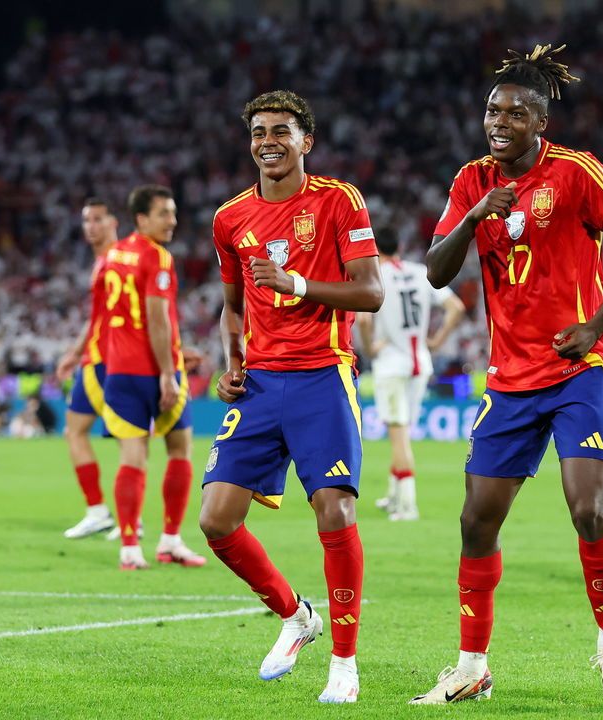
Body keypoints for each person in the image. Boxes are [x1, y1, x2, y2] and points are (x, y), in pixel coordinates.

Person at [410, 45, 603, 707]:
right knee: (475, 522)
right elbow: (435, 271)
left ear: (538, 124)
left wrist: (596, 323)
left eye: (515, 113)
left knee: (587, 509)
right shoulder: (471, 182)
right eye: (493, 110)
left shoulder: (577, 173)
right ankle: (470, 664)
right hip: (510, 378)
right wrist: (472, 217)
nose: (499, 121)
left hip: (581, 369)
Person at [200, 90, 382, 704]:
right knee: (216, 521)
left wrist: (299, 283)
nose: (268, 142)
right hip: (259, 383)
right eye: (258, 132)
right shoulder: (230, 218)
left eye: (282, 130)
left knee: (335, 510)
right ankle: (295, 614)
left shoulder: (338, 201)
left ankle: (345, 664)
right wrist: (231, 365)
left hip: (322, 376)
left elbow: (371, 293)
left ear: (307, 140)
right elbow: (232, 305)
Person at [100, 185, 205, 570]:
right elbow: (156, 317)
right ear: (142, 218)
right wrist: (167, 370)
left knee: (133, 457)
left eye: (173, 212)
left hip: (119, 370)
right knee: (179, 449)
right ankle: (170, 541)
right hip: (154, 370)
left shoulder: (114, 253)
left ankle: (129, 548)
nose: (173, 221)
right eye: (164, 213)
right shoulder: (156, 257)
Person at [356, 235, 465, 521]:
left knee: (398, 437)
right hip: (421, 364)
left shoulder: (376, 275)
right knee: (403, 434)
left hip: (392, 365)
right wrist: (437, 340)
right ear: (400, 247)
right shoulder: (420, 273)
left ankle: (407, 505)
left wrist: (369, 349)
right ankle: (393, 495)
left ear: (376, 251)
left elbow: (365, 320)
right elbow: (457, 307)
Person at [56, 198, 119, 539]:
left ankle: (130, 519)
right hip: (92, 359)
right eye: (86, 221)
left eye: (97, 219)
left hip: (114, 361)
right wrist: (74, 351)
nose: (90, 226)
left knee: (129, 440)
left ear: (114, 223)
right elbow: (97, 317)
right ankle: (97, 511)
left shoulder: (120, 258)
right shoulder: (100, 261)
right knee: (74, 431)